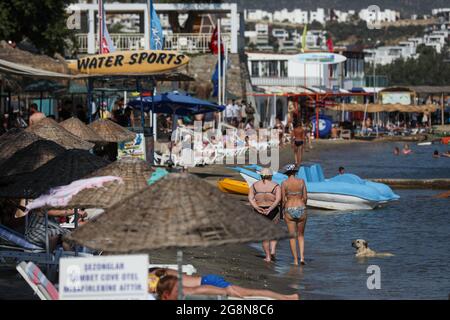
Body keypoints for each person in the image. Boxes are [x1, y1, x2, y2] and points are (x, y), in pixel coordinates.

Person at [150, 269, 299, 300]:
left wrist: (226, 291)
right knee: (250, 292)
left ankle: (289, 298)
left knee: (249, 293)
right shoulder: (164, 273)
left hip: (209, 282)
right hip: (207, 279)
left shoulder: (173, 286)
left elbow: (199, 289)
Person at [248, 168, 281, 262]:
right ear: (270, 176)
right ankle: (273, 250)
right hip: (273, 210)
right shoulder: (275, 185)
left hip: (260, 210)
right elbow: (278, 199)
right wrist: (270, 208)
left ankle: (268, 257)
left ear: (261, 175)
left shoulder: (254, 185)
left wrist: (257, 207)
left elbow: (250, 198)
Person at [281, 164, 308, 265]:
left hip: (289, 208)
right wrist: (304, 206)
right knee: (301, 235)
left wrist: (281, 212)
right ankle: (302, 258)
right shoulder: (301, 181)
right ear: (295, 172)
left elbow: (283, 200)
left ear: (287, 173)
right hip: (301, 207)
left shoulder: (284, 183)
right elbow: (305, 197)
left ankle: (295, 260)